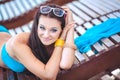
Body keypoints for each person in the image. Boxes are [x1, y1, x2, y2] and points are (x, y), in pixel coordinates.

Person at [0, 4, 76, 80]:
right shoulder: (18, 43)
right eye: (42, 28)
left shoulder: (55, 38)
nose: (46, 35)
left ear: (62, 30)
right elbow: (49, 76)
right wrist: (61, 40)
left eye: (54, 30)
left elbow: (65, 64)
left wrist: (70, 26)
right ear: (37, 26)